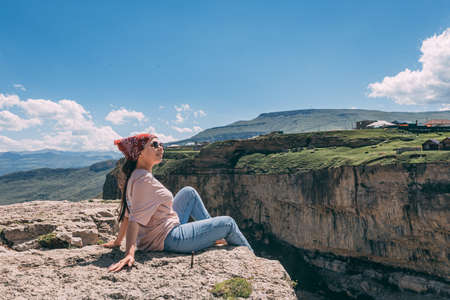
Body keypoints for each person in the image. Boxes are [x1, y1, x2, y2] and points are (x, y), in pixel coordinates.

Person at [104, 133, 253, 272]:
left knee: (189, 192)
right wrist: (129, 253)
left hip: (163, 227)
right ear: (140, 153)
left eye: (161, 144)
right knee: (228, 223)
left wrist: (118, 242)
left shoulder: (136, 175)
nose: (160, 147)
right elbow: (134, 218)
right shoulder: (144, 179)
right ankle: (253, 262)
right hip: (169, 237)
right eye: (154, 145)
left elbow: (128, 212)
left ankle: (213, 236)